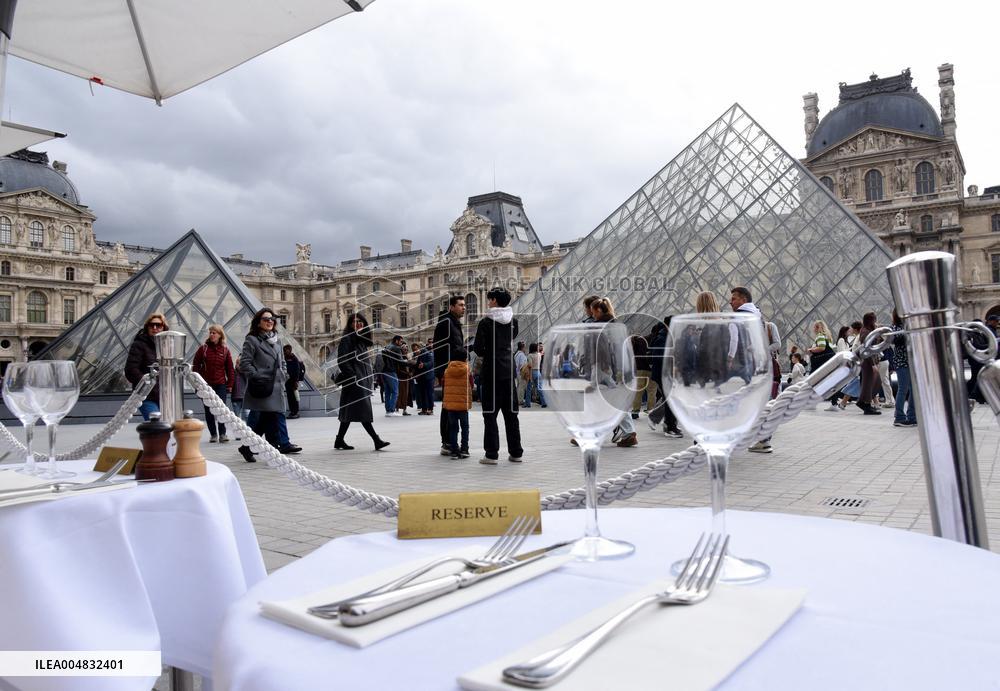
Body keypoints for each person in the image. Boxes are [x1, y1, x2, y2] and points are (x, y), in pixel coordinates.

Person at [237, 307, 301, 462]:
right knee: (269, 417)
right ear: (259, 322)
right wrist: (258, 376)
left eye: (272, 319)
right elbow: (245, 363)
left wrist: (284, 375)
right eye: (266, 319)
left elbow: (282, 362)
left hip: (276, 385)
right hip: (262, 386)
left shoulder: (277, 340)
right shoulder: (252, 340)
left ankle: (251, 447)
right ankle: (274, 448)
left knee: (269, 417)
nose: (270, 322)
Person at [473, 287, 524, 465]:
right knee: (511, 415)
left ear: (494, 300)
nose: (488, 302)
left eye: (490, 299)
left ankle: (492, 454)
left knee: (490, 415)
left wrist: (489, 351)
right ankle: (516, 452)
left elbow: (478, 349)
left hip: (491, 372)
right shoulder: (514, 322)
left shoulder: (486, 323)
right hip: (508, 371)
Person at [729, 287, 780, 453]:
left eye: (734, 298)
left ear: (743, 299)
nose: (731, 301)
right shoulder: (757, 315)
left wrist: (729, 359)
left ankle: (759, 439)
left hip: (745, 366)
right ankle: (763, 438)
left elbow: (734, 341)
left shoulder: (740, 317)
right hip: (758, 365)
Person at [334, 313, 390, 450]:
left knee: (349, 411)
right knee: (363, 411)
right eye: (355, 321)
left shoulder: (361, 340)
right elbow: (342, 360)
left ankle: (339, 440)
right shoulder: (348, 339)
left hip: (362, 381)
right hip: (356, 382)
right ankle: (376, 440)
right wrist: (353, 376)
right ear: (350, 324)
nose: (358, 323)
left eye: (361, 321)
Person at [591, 297, 638, 447]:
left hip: (601, 366)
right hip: (611, 366)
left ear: (598, 310)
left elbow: (602, 347)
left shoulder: (600, 325)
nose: (592, 315)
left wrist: (604, 365)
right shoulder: (615, 323)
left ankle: (593, 433)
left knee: (596, 398)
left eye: (593, 312)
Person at [433, 296, 467, 456]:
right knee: (448, 407)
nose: (464, 307)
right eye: (460, 305)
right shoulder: (446, 323)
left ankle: (449, 441)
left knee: (450, 406)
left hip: (455, 369)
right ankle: (446, 442)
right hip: (449, 371)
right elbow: (439, 349)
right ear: (452, 307)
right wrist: (441, 372)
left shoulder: (453, 323)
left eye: (464, 305)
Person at [192, 324, 235, 442]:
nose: (211, 335)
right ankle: (213, 434)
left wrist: (230, 384)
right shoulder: (203, 349)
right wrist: (197, 383)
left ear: (220, 335)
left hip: (221, 384)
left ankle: (222, 434)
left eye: (214, 333)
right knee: (209, 410)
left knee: (221, 409)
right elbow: (195, 366)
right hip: (206, 385)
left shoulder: (225, 350)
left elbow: (230, 369)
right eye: (210, 332)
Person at [125, 312, 167, 421]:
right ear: (147, 327)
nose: (155, 327)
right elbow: (131, 370)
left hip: (165, 395)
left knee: (165, 429)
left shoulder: (168, 345)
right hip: (147, 395)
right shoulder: (139, 344)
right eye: (151, 325)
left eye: (158, 325)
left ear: (163, 327)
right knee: (156, 426)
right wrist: (149, 383)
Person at [647, 317, 682, 438]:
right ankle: (669, 427)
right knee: (670, 400)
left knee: (670, 399)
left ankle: (669, 424)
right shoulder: (663, 338)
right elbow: (658, 357)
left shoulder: (668, 336)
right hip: (663, 374)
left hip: (666, 373)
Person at [442, 351, 472, 459]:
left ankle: (454, 451)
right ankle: (464, 449)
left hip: (451, 405)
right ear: (464, 358)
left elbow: (444, 384)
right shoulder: (467, 369)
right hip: (463, 404)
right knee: (465, 427)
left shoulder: (447, 370)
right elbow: (471, 384)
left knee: (453, 428)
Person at [891, 310, 917, 427]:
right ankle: (899, 416)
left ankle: (912, 416)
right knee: (903, 389)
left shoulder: (909, 326)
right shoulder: (895, 327)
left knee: (914, 390)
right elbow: (896, 340)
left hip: (911, 362)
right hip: (902, 362)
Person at [856, 312, 881, 415]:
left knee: (872, 383)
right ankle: (865, 404)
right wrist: (872, 364)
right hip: (867, 361)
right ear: (870, 320)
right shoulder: (865, 331)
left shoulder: (869, 330)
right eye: (874, 319)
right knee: (868, 384)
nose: (875, 321)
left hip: (869, 360)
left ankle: (864, 403)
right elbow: (867, 348)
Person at [630, 332, 654, 419]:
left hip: (640, 369)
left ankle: (635, 411)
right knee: (652, 391)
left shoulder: (637, 342)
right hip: (651, 369)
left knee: (638, 391)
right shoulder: (652, 340)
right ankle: (650, 410)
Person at [381, 336, 403, 416]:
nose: (401, 344)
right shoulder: (396, 348)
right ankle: (391, 410)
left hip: (384, 371)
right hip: (391, 371)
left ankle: (388, 411)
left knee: (387, 392)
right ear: (396, 341)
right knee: (395, 392)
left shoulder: (387, 347)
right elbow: (401, 361)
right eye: (400, 342)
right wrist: (412, 363)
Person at [283, 344, 305, 418]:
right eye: (284, 351)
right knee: (290, 397)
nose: (285, 352)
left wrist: (296, 381)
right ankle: (292, 412)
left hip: (293, 381)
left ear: (290, 350)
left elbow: (297, 371)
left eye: (286, 350)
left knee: (294, 397)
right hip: (288, 381)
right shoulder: (285, 358)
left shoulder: (294, 358)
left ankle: (295, 412)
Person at [522, 343, 546, 408]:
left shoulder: (530, 355)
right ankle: (544, 402)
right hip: (538, 372)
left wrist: (530, 377)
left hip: (532, 372)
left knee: (529, 389)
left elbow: (530, 366)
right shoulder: (539, 355)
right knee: (539, 388)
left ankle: (527, 404)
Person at [513, 341, 528, 407]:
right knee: (521, 387)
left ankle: (517, 399)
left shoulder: (516, 354)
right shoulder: (521, 355)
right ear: (522, 347)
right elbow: (522, 365)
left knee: (518, 386)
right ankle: (520, 400)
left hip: (517, 372)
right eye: (524, 347)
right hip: (521, 372)